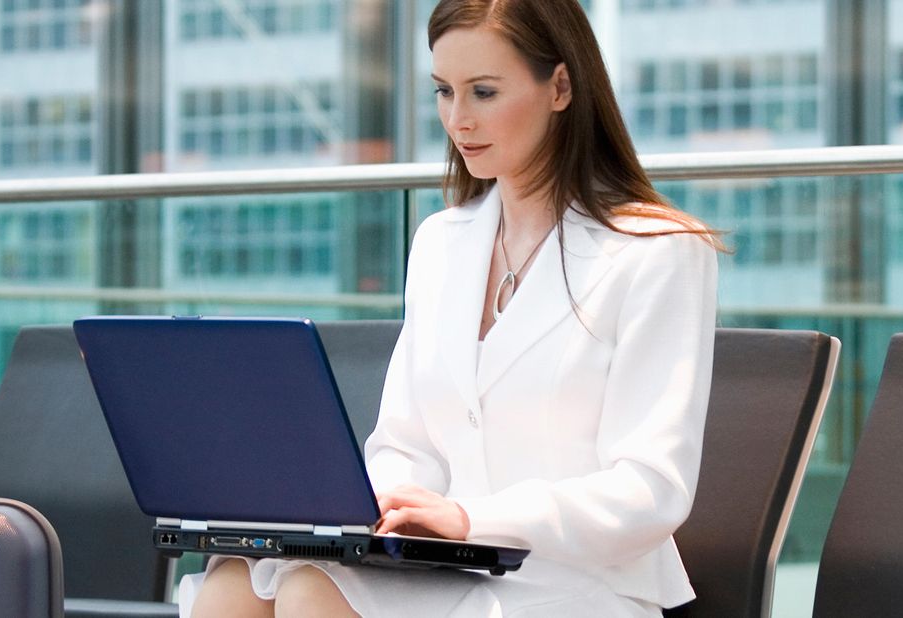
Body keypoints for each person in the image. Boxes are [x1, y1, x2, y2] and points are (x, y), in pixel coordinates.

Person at [180, 0, 721, 615]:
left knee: (309, 591)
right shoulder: (442, 241)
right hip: (450, 563)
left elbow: (649, 490)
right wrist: (371, 519)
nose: (458, 120)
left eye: (484, 92)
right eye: (444, 92)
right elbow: (406, 444)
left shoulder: (657, 251)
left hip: (577, 581)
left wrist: (468, 518)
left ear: (561, 86)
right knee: (235, 581)